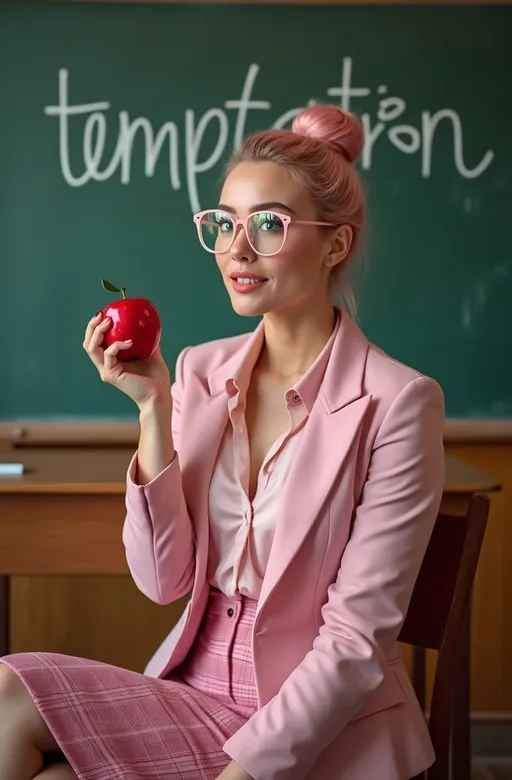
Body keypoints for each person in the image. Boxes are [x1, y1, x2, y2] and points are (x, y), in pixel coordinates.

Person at [0, 103, 445, 780]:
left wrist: (240, 776)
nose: (237, 248)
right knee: (7, 691)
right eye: (224, 223)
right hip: (190, 694)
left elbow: (356, 642)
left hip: (311, 728)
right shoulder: (200, 371)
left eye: (269, 223)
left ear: (336, 244)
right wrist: (153, 410)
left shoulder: (398, 402)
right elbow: (163, 581)